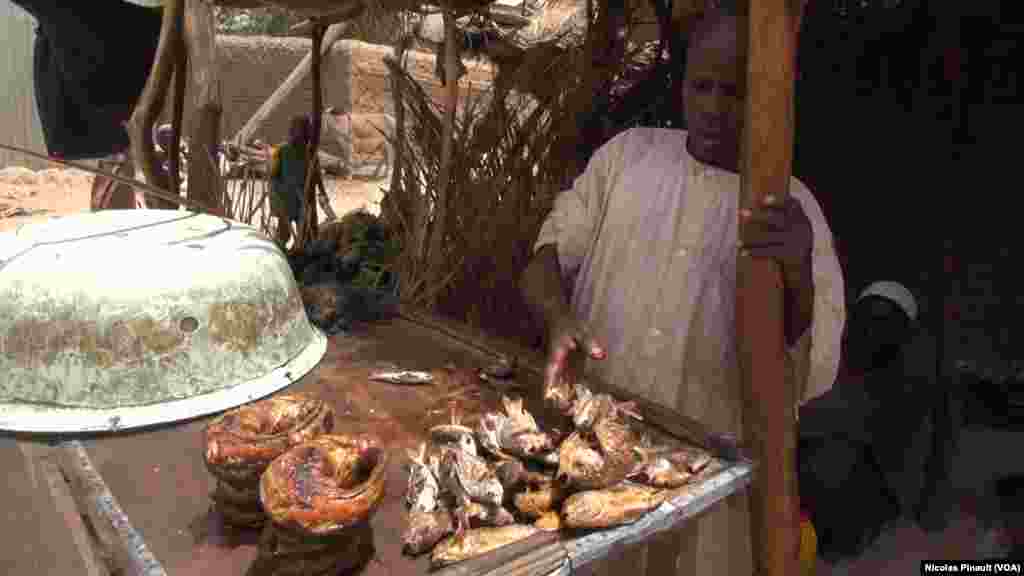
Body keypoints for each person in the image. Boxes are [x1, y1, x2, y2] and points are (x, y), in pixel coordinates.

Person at [519, 6, 845, 575]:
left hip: (706, 490)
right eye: (702, 86)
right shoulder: (627, 158)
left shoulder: (792, 211)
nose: (715, 108)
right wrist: (558, 317)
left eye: (736, 91)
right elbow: (546, 256)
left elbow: (812, 372)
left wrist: (795, 271)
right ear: (682, 82)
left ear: (769, 93)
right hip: (598, 460)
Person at [798, 281, 921, 565]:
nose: (873, 330)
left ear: (902, 335)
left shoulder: (905, 389)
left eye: (886, 322)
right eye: (868, 318)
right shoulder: (821, 361)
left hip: (859, 509)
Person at [266, 115, 311, 248]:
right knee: (284, 233)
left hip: (300, 199)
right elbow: (273, 175)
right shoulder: (282, 150)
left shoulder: (308, 152)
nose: (299, 133)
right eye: (297, 130)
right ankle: (281, 252)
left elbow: (313, 174)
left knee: (302, 232)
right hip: (285, 198)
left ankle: (298, 254)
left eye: (302, 130)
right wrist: (277, 201)